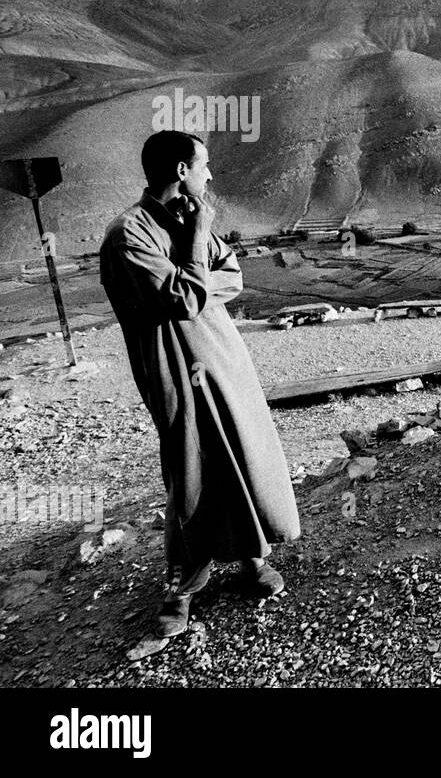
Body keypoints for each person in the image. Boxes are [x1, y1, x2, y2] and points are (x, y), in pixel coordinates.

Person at [99, 131, 300, 638]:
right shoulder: (129, 235)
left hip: (223, 359)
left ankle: (251, 560)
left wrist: (195, 278)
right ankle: (182, 586)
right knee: (190, 474)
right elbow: (184, 301)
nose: (210, 176)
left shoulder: (191, 223)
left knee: (241, 458)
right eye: (204, 166)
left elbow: (230, 276)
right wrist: (199, 244)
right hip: (171, 368)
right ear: (181, 171)